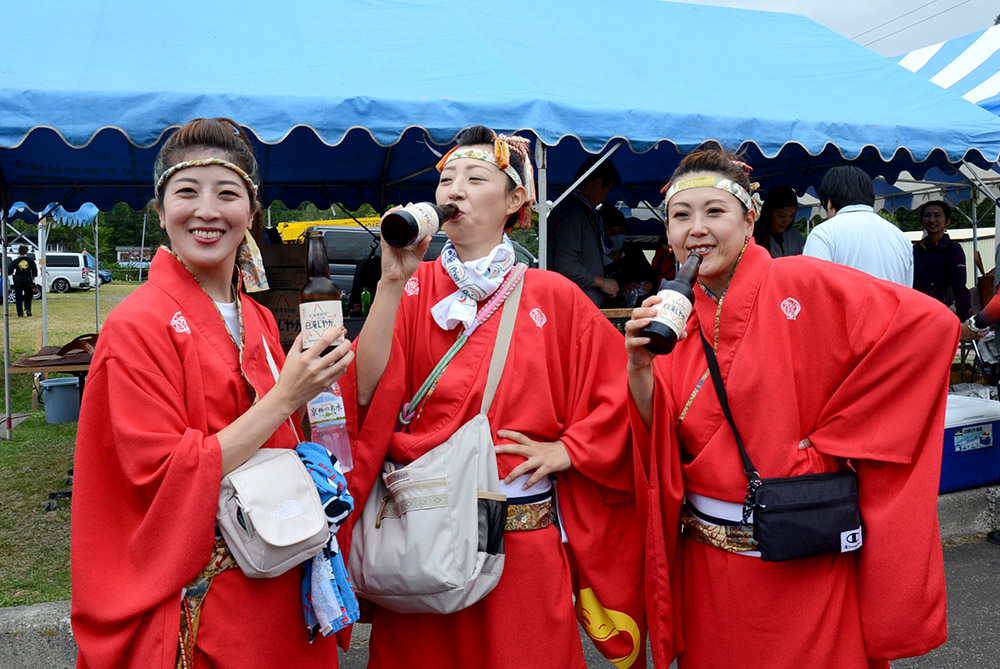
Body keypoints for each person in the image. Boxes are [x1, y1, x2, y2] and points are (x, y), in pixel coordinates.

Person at [624, 147, 957, 667]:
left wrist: (832, 433)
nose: (697, 230)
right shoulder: (673, 312)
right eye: (681, 216)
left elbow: (929, 327)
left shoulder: (802, 280)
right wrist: (639, 370)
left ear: (749, 219)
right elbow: (658, 436)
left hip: (803, 555)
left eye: (716, 212)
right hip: (708, 563)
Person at [343, 126, 641, 668]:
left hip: (521, 535)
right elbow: (363, 393)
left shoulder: (556, 296)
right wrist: (390, 284)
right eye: (447, 179)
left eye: (475, 178)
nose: (454, 189)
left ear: (515, 201)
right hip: (425, 529)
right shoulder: (412, 285)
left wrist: (569, 449)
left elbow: (620, 391)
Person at [71, 118, 354, 667]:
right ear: (159, 212)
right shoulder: (137, 325)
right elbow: (159, 474)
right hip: (212, 606)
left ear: (252, 213)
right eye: (186, 192)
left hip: (285, 575)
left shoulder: (258, 317)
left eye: (227, 194)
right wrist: (286, 396)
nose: (206, 210)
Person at [803, 165, 913, 286]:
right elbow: (907, 294)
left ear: (829, 203)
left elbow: (815, 291)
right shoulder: (901, 238)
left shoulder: (823, 234)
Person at [548, 155, 620, 305]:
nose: (605, 198)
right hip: (574, 306)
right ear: (597, 183)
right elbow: (566, 264)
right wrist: (602, 282)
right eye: (607, 190)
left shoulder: (582, 212)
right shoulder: (572, 213)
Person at [913, 200, 971, 321]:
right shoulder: (915, 250)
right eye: (927, 215)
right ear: (922, 221)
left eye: (937, 215)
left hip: (943, 314)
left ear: (947, 221)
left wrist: (963, 317)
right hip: (917, 313)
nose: (932, 220)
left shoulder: (953, 249)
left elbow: (960, 286)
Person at [600, 205, 656, 307]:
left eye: (621, 232)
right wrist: (622, 291)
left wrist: (647, 285)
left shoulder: (633, 252)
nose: (617, 236)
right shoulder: (595, 258)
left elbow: (651, 277)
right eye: (611, 233)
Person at [752, 185, 805, 257]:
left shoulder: (794, 235)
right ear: (768, 212)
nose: (786, 221)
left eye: (792, 216)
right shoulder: (753, 236)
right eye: (781, 216)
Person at [7, 245, 37, 317]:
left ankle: (20, 313)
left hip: (18, 280)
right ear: (27, 251)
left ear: (19, 252)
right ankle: (28, 310)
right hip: (27, 280)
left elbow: (9, 271)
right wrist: (34, 276)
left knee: (18, 297)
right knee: (28, 296)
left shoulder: (16, 261)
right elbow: (34, 270)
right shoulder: (30, 260)